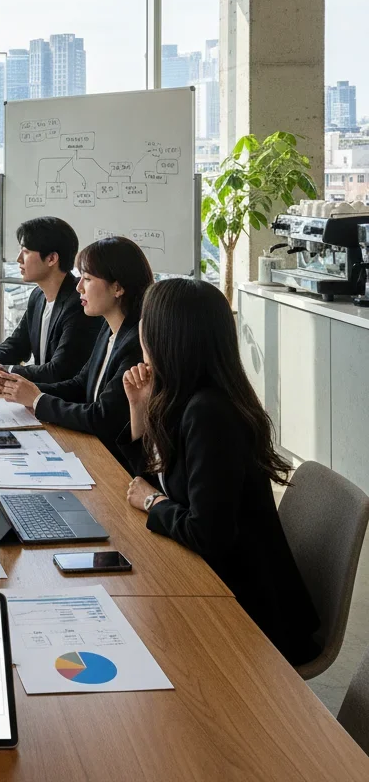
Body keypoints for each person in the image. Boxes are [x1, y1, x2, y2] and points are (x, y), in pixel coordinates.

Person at [119, 278, 321, 667]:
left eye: (147, 321)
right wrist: (139, 410)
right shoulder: (185, 396)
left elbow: (206, 534)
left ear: (168, 337)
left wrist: (152, 503)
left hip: (247, 613)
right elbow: (147, 478)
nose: (140, 331)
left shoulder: (210, 413)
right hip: (216, 580)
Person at [0, 235, 153, 454]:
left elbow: (102, 417)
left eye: (87, 279)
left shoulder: (136, 344)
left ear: (117, 288)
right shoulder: (108, 329)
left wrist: (38, 400)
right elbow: (79, 385)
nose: (79, 288)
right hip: (91, 445)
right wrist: (20, 389)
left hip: (112, 459)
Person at [0, 216, 100, 383]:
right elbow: (18, 344)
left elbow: (59, 371)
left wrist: (3, 369)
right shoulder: (38, 296)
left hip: (60, 400)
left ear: (51, 259)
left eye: (26, 252)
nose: (18, 259)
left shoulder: (79, 304)